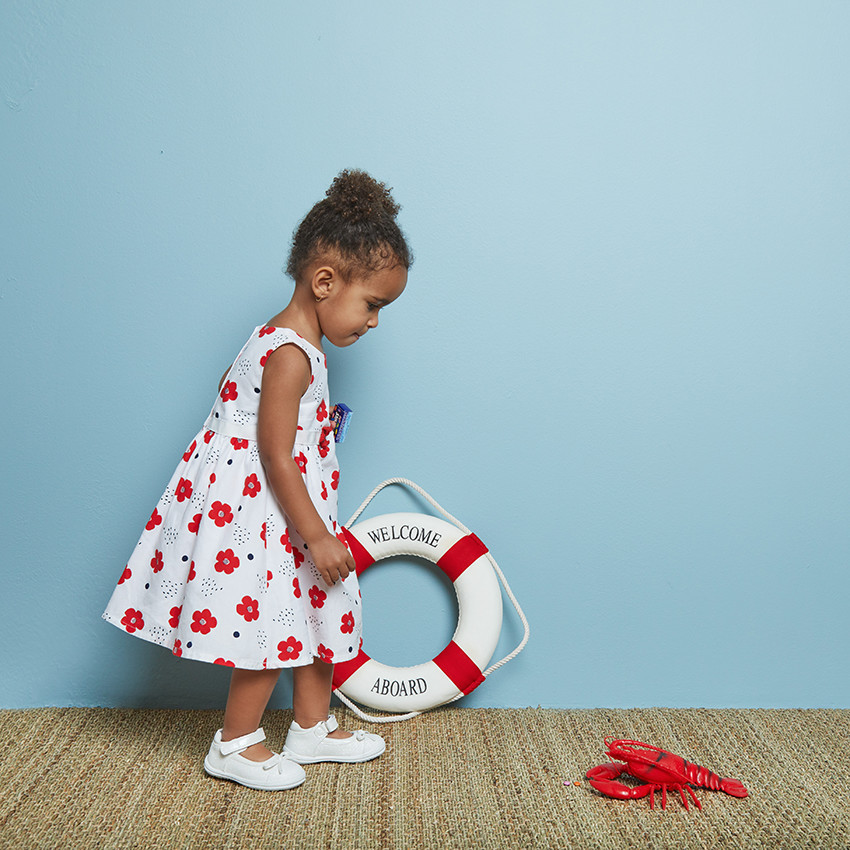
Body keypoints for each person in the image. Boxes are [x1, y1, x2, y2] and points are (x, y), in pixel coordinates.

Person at [103, 169, 411, 790]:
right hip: (262, 513)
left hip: (290, 508)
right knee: (269, 622)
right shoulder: (291, 352)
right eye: (372, 304)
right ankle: (235, 742)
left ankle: (312, 727)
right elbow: (273, 453)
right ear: (324, 281)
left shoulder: (286, 341)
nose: (374, 321)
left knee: (320, 605)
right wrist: (316, 536)